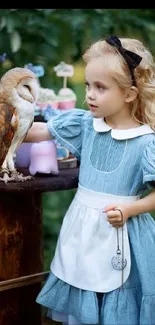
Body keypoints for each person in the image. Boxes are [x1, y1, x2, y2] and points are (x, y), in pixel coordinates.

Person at [25, 35, 155, 325]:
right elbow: (35, 131)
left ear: (130, 94)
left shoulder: (145, 143)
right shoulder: (86, 124)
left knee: (118, 302)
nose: (90, 95)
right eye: (88, 86)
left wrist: (130, 209)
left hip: (124, 236)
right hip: (83, 234)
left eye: (100, 87)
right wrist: (9, 119)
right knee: (83, 290)